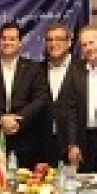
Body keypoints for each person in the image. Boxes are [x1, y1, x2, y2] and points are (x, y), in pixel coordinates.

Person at [0, 22, 50, 168]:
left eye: (12, 39)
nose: (7, 42)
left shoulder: (34, 69)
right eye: (4, 38)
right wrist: (1, 118)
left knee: (25, 181)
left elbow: (40, 98)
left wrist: (17, 119)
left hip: (26, 139)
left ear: (20, 43)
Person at [68, 26, 97, 173]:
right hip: (83, 140)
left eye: (91, 43)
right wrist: (73, 144)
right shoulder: (75, 71)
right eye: (84, 45)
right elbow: (71, 111)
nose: (88, 48)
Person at [42, 23, 78, 167]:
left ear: (69, 43)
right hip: (43, 144)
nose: (53, 44)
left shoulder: (82, 68)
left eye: (59, 39)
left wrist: (74, 143)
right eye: (49, 40)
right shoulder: (37, 70)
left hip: (73, 145)